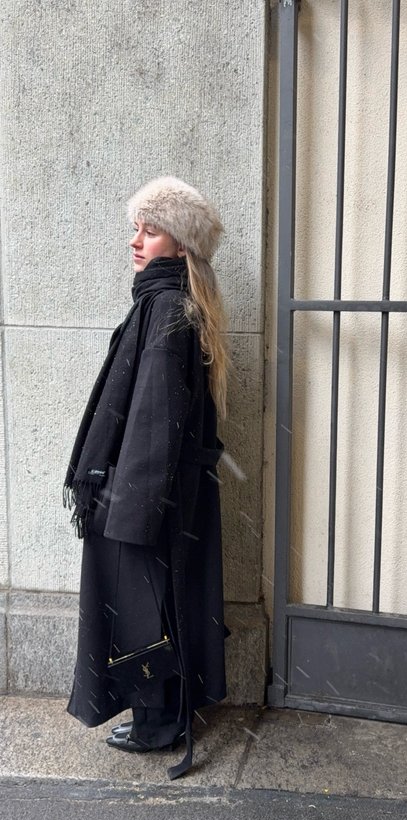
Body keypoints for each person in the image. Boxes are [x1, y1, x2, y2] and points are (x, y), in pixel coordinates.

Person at [63, 176, 231, 780]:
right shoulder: (169, 303)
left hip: (144, 498)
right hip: (159, 495)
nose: (136, 241)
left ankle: (160, 721)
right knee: (161, 605)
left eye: (150, 230)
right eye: (136, 227)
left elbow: (157, 418)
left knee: (145, 609)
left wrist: (128, 512)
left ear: (180, 247)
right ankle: (166, 713)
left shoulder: (165, 309)